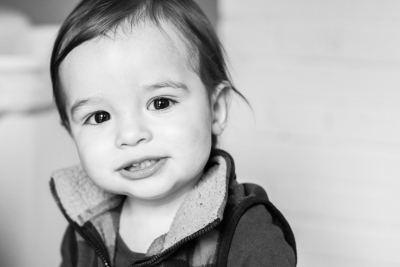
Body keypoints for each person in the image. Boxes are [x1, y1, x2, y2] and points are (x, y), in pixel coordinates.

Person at [49, 0, 297, 266]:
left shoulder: (247, 235)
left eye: (161, 103)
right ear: (70, 131)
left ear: (215, 109)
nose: (131, 135)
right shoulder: (85, 228)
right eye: (100, 117)